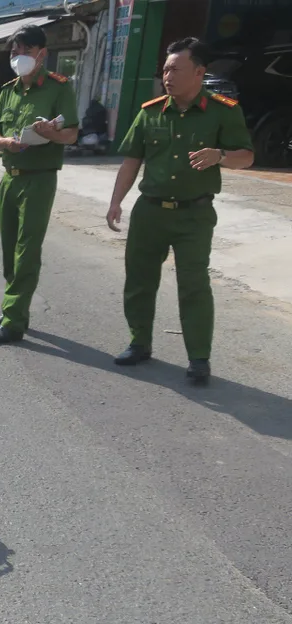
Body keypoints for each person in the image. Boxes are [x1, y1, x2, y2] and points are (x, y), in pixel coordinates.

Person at [106, 37, 254, 385]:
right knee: (139, 280)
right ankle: (139, 342)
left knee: (194, 285)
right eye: (165, 69)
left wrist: (220, 156)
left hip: (194, 214)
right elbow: (132, 160)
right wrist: (116, 201)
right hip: (150, 212)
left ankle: (199, 358)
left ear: (199, 72)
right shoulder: (150, 111)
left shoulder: (224, 110)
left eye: (175, 69)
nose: (167, 75)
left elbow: (246, 157)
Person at [0, 24, 79, 344]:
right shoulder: (8, 90)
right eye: (14, 51)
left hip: (39, 179)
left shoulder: (59, 88)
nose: (19, 57)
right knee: (10, 250)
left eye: (25, 51)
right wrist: (6, 143)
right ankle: (13, 308)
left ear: (42, 54)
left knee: (27, 251)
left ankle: (14, 320)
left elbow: (71, 133)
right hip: (10, 179)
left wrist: (51, 133)